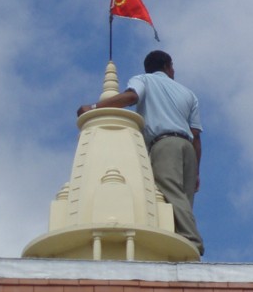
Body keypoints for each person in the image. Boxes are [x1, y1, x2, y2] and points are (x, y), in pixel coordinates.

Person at [76, 50, 204, 254]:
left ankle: (191, 241)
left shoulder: (143, 80)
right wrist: (196, 170)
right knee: (184, 200)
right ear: (168, 66)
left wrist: (94, 107)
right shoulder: (188, 94)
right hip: (187, 148)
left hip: (164, 145)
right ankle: (181, 238)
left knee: (170, 191)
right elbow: (196, 135)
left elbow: (132, 96)